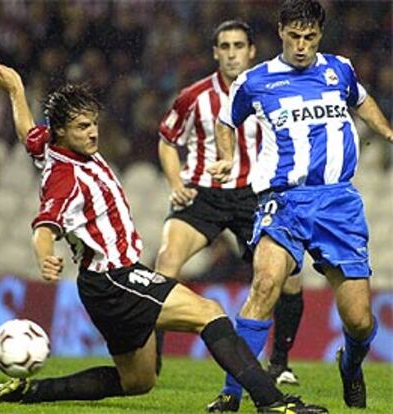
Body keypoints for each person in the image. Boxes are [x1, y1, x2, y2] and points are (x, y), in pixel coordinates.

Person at [0, 57, 328, 414]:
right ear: (61, 132)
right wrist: (44, 255)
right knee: (209, 312)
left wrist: (16, 90)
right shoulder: (64, 177)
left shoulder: (52, 148)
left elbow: (27, 133)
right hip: (114, 279)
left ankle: (29, 392)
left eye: (94, 124)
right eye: (83, 127)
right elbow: (45, 225)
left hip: (101, 287)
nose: (93, 133)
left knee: (137, 381)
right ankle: (272, 403)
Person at [208, 0, 393, 410]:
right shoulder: (256, 81)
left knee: (360, 321)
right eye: (294, 36)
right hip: (283, 201)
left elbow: (362, 102)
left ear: (320, 36)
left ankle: (350, 364)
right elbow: (226, 121)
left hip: (337, 203)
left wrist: (388, 132)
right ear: (280, 32)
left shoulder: (339, 70)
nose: (301, 45)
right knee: (265, 284)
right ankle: (230, 393)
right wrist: (226, 157)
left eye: (309, 37)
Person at [156, 21, 304, 411]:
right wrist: (176, 182)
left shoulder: (271, 88)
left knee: (287, 281)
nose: (232, 52)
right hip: (203, 194)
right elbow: (167, 141)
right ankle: (148, 357)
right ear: (215, 53)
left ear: (252, 51)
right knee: (165, 263)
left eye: (239, 45)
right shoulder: (194, 96)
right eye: (225, 46)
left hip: (254, 196)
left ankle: (281, 363)